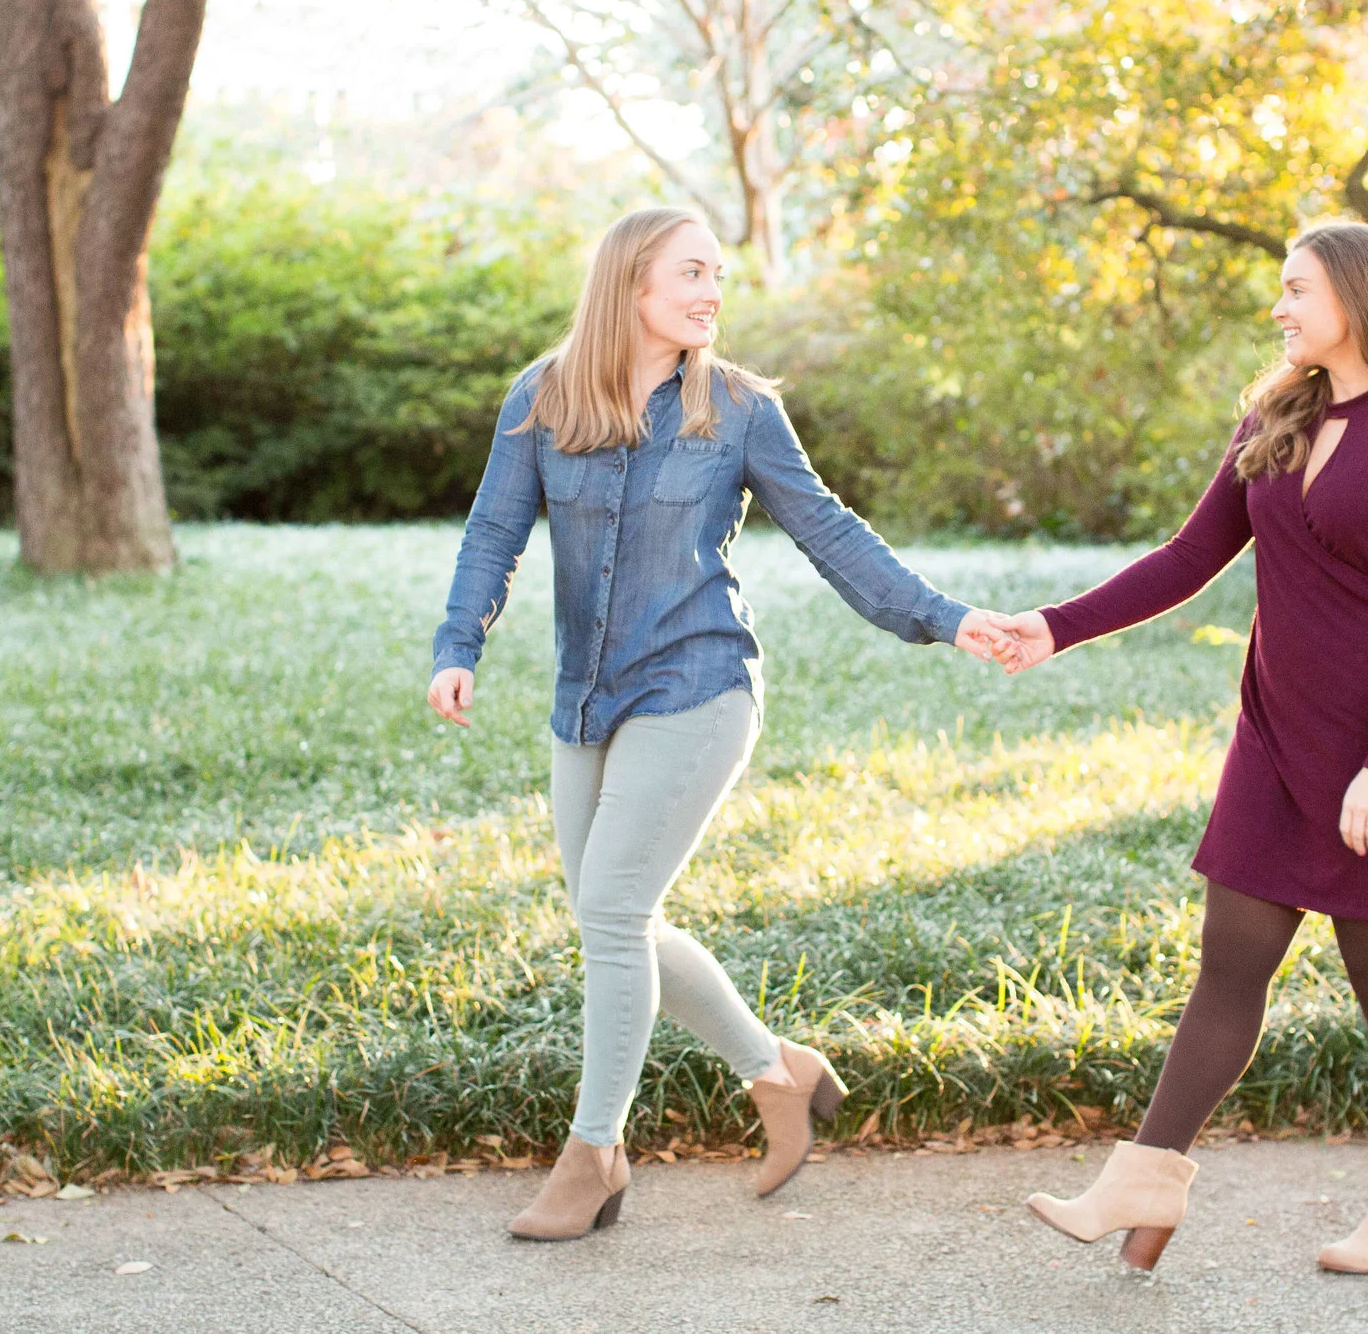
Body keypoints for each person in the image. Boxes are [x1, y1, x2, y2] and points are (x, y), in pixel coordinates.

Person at [428, 205, 1015, 1242]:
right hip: (586, 699)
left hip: (698, 688)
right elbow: (493, 530)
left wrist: (945, 616)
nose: (710, 292)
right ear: (631, 283)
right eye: (691, 272)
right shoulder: (544, 396)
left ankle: (595, 1152)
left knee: (609, 910)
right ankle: (777, 1069)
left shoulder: (737, 407)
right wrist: (457, 644)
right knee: (621, 920)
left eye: (717, 275)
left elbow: (827, 529)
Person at [1001, 219, 1368, 1275]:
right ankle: (1145, 1174)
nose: (1278, 308)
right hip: (1278, 741)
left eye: (1297, 288)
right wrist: (1057, 624)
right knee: (1230, 960)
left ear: (1360, 297)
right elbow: (1189, 556)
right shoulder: (1276, 414)